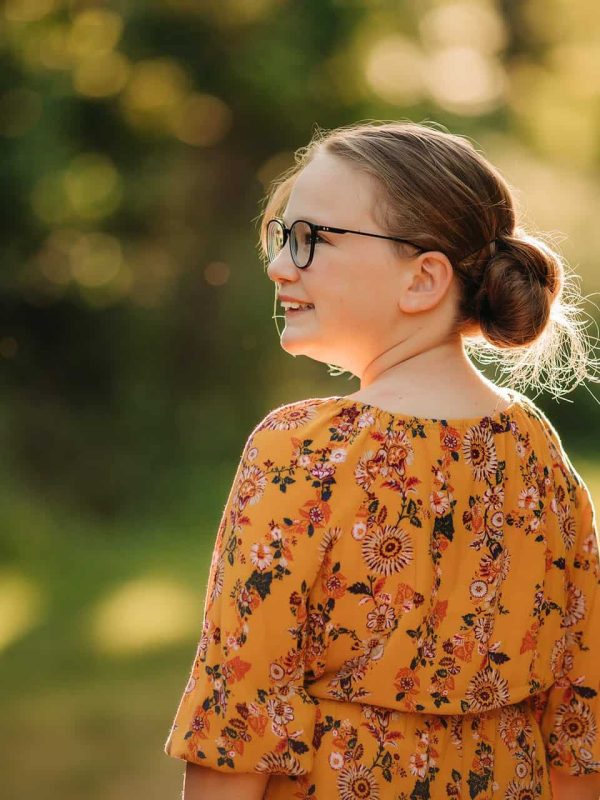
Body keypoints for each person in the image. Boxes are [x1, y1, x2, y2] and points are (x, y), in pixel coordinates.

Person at [163, 120, 600, 799]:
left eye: (313, 239)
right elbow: (580, 722)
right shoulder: (536, 449)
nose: (280, 264)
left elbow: (239, 720)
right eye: (282, 236)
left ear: (424, 279)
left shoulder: (302, 452)